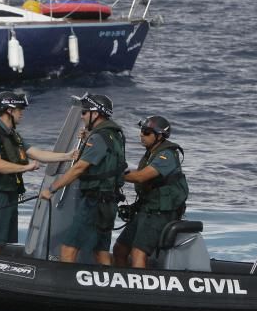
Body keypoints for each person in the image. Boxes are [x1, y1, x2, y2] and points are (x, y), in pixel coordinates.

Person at [0, 91, 75, 252]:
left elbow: (38, 153)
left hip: (10, 194)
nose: (22, 113)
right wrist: (26, 167)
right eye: (19, 109)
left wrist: (67, 156)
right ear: (9, 110)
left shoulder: (14, 136)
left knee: (0, 241)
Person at [39, 93, 125, 265]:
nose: (82, 116)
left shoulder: (99, 137)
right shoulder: (114, 135)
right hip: (108, 203)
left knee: (68, 248)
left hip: (94, 203)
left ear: (96, 113)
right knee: (100, 250)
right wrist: (88, 140)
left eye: (85, 112)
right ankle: (105, 287)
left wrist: (51, 189)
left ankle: (64, 289)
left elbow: (78, 168)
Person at [113, 115, 190, 268]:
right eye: (142, 131)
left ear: (159, 136)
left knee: (138, 253)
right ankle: (123, 285)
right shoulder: (151, 152)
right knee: (120, 249)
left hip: (160, 213)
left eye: (147, 132)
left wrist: (112, 173)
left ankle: (139, 290)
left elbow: (141, 176)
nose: (142, 134)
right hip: (147, 209)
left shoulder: (166, 154)